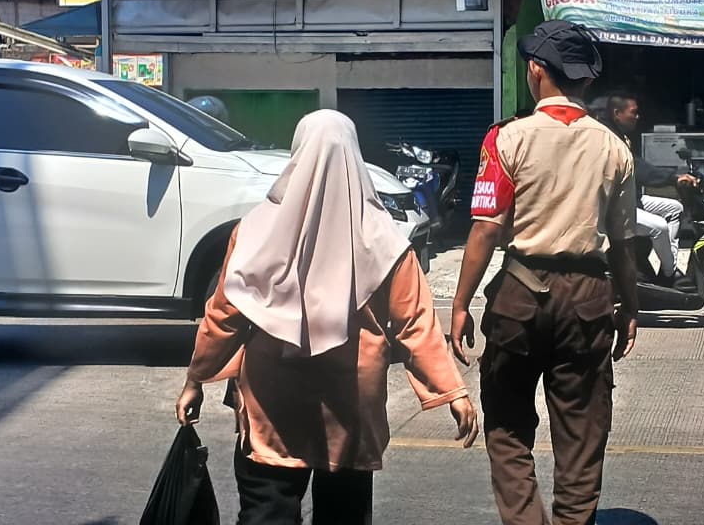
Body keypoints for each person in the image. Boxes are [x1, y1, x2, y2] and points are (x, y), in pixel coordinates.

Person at [176, 110, 479, 525]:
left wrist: (196, 379)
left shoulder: (255, 230)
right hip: (350, 403)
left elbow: (224, 316)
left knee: (268, 509)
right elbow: (416, 323)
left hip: (272, 400)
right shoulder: (386, 240)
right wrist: (453, 392)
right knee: (344, 514)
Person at [450, 20, 640, 525]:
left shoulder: (506, 139)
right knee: (582, 431)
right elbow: (624, 246)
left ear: (536, 70)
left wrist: (460, 303)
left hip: (519, 294)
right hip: (590, 297)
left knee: (507, 425)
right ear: (585, 81)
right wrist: (631, 307)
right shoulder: (614, 148)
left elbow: (486, 230)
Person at [596, 93, 698, 284]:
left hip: (629, 199)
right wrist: (672, 178)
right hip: (615, 207)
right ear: (617, 113)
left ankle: (669, 265)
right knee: (659, 227)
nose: (638, 116)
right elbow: (638, 168)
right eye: (633, 112)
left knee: (675, 209)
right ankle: (669, 275)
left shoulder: (620, 135)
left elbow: (639, 165)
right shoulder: (609, 139)